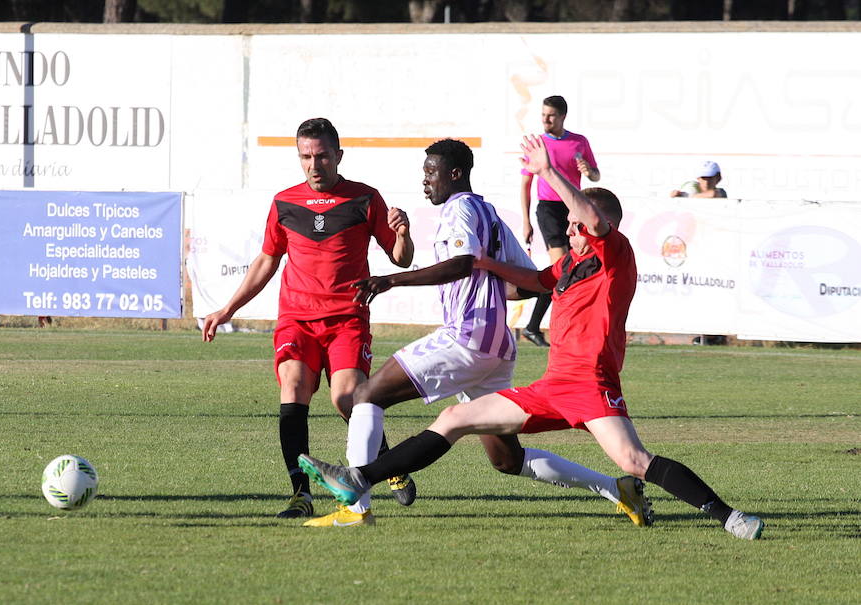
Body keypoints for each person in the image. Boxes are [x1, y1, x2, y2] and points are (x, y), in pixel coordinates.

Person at [299, 134, 765, 540]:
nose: (569, 228)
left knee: (634, 459)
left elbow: (593, 219)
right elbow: (533, 280)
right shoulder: (570, 264)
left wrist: (549, 173)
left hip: (590, 386)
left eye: (575, 223)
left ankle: (729, 516)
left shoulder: (613, 253)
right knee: (458, 421)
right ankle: (358, 478)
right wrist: (481, 265)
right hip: (550, 385)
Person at [202, 118, 416, 519]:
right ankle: (300, 495)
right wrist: (227, 309)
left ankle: (388, 462)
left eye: (321, 156)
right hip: (297, 320)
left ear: (338, 155)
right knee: (294, 386)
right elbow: (267, 260)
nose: (313, 165)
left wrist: (402, 234)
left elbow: (400, 258)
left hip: (347, 319)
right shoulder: (285, 202)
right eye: (305, 157)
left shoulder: (366, 199)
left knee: (346, 399)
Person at [520, 95, 600, 347]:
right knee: (564, 266)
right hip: (548, 210)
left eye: (551, 115)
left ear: (562, 116)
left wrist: (589, 171)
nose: (545, 119)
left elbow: (595, 175)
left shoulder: (579, 142)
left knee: (571, 268)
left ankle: (534, 327)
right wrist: (526, 220)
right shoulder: (538, 144)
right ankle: (559, 331)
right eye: (543, 114)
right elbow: (525, 184)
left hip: (573, 209)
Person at [671, 160, 729, 345]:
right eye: (703, 179)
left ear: (718, 178)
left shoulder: (719, 193)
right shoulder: (694, 194)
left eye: (710, 178)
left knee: (714, 292)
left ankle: (714, 334)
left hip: (716, 249)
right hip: (695, 247)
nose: (706, 182)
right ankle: (704, 334)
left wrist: (685, 197)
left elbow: (714, 194)